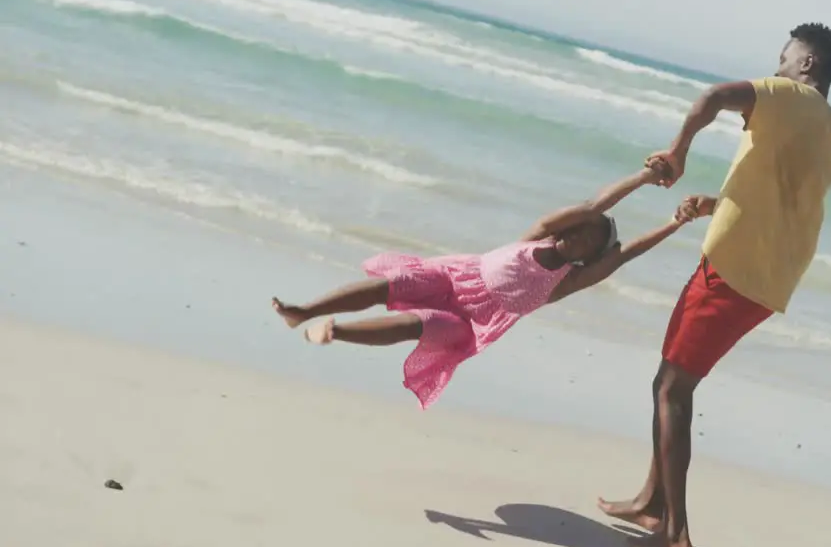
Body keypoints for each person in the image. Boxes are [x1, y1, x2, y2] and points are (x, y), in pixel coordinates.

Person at [597, 23, 831, 547]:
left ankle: (675, 534)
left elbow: (712, 97)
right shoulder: (829, 128)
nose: (777, 67)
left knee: (672, 389)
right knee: (671, 377)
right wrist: (718, 204)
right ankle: (651, 501)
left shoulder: (786, 95)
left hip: (732, 268)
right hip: (768, 275)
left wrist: (678, 150)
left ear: (806, 66)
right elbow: (785, 199)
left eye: (785, 58)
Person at [272, 163, 684, 408]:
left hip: (472, 322)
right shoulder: (537, 235)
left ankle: (335, 331)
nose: (578, 234)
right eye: (579, 228)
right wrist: (645, 176)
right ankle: (304, 312)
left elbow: (624, 253)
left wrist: (675, 223)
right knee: (398, 283)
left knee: (424, 324)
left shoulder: (566, 280)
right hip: (455, 275)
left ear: (586, 257)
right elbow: (595, 206)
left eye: (588, 239)